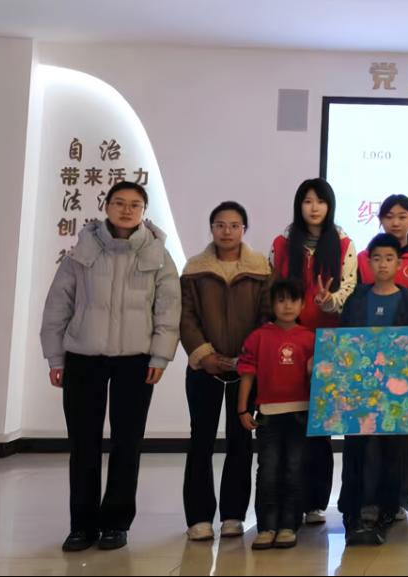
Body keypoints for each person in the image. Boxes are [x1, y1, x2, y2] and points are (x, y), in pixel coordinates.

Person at [41, 181, 181, 552]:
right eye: (119, 202)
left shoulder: (157, 254)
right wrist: (55, 357)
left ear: (144, 212)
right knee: (83, 443)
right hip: (83, 358)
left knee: (127, 442)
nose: (126, 210)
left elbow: (168, 310)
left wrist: (160, 356)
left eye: (135, 204)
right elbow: (58, 305)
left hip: (135, 361)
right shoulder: (83, 251)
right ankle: (81, 526)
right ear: (106, 206)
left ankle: (116, 524)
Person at [181, 201, 271, 541]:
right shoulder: (195, 268)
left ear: (244, 229)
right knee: (200, 440)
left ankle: (234, 515)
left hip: (245, 371)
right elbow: (185, 316)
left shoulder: (261, 269)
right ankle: (199, 517)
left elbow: (266, 316)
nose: (227, 231)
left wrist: (247, 358)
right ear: (212, 229)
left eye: (234, 225)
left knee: (240, 440)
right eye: (220, 225)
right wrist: (204, 354)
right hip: (204, 368)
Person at [270, 178, 358, 524]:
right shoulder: (281, 244)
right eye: (307, 201)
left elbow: (350, 289)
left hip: (328, 344)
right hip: (288, 341)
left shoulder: (344, 243)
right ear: (299, 206)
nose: (314, 207)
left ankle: (315, 503)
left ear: (329, 205)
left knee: (320, 427)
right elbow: (272, 289)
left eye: (320, 201)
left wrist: (329, 300)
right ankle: (287, 501)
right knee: (290, 424)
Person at [356, 195, 408, 519]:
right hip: (368, 357)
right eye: (389, 216)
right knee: (370, 430)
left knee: (407, 433)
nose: (395, 221)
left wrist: (401, 304)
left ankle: (401, 499)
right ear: (380, 220)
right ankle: (370, 498)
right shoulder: (364, 258)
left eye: (402, 216)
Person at [339, 233, 408, 546]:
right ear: (368, 262)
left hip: (395, 386)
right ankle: (352, 511)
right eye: (376, 258)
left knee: (392, 450)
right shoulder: (357, 298)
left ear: (399, 263)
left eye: (389, 258)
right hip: (359, 385)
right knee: (356, 449)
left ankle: (387, 511)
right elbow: (344, 338)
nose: (382, 264)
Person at [237, 279, 316, 551]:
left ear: (302, 305)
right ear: (272, 305)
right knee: (268, 470)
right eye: (281, 300)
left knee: (294, 469)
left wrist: (313, 368)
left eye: (293, 300)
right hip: (268, 415)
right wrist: (242, 408)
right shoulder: (259, 337)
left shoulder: (310, 338)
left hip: (300, 414)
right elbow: (247, 374)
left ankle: (289, 525)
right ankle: (266, 526)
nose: (287, 306)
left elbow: (318, 376)